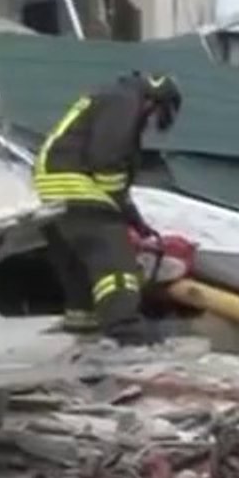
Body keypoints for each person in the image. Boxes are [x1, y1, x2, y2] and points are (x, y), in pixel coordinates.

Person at [33, 71, 182, 346]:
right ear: (155, 102)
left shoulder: (111, 95)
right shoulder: (125, 101)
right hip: (76, 185)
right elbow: (106, 158)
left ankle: (83, 321)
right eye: (156, 117)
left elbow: (113, 178)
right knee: (115, 261)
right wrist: (116, 209)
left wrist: (134, 220)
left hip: (53, 189)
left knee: (79, 262)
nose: (151, 125)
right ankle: (125, 327)